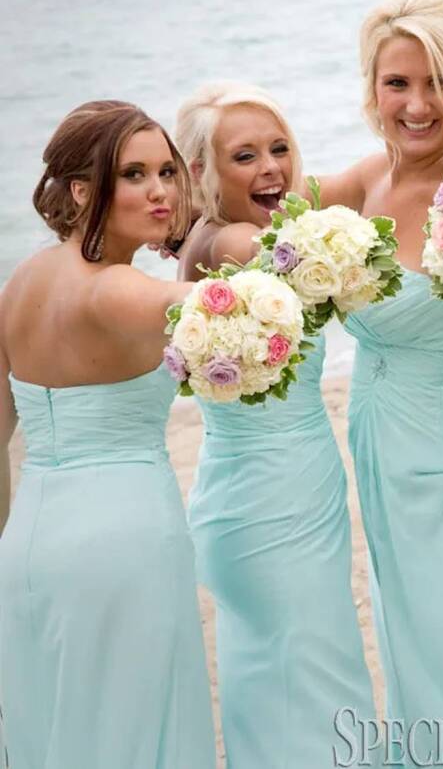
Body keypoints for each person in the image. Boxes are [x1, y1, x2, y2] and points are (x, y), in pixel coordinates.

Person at [316, 0, 443, 764]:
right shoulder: (366, 181)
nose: (416, 103)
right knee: (418, 649)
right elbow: (264, 218)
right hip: (384, 462)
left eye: (435, 82)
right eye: (397, 82)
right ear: (372, 91)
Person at [0, 101, 216, 768]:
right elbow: (205, 304)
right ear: (81, 191)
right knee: (137, 730)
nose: (159, 191)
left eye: (166, 172)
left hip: (29, 545)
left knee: (50, 731)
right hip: (125, 540)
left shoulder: (23, 282)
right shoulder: (117, 287)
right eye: (133, 175)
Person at [175, 82, 378, 767]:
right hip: (274, 500)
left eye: (280, 148)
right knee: (313, 678)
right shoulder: (238, 244)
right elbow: (336, 274)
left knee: (280, 678)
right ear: (201, 172)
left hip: (259, 483)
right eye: (245, 156)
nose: (270, 168)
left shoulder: (215, 236)